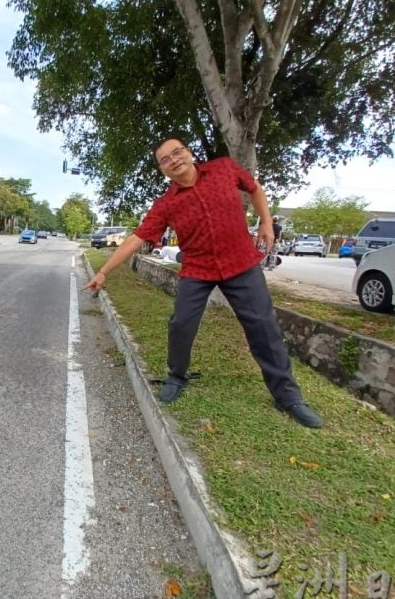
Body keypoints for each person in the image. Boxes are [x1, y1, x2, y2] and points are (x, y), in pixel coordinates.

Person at [83, 136, 322, 428]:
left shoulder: (224, 168)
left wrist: (266, 221)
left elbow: (254, 188)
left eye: (178, 152)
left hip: (241, 263)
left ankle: (288, 396)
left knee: (263, 325)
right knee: (181, 324)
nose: (174, 160)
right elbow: (137, 238)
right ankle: (177, 375)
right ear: (163, 170)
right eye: (165, 159)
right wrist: (104, 271)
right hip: (197, 269)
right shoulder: (166, 204)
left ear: (190, 152)